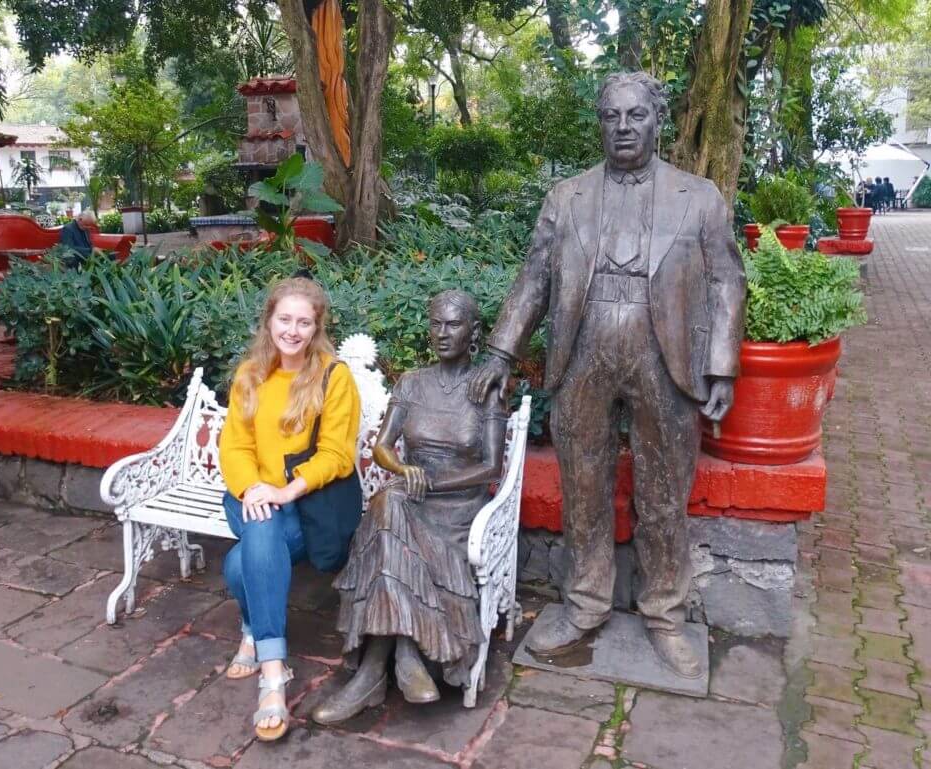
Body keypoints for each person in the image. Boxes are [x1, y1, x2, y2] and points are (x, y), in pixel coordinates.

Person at [468, 71, 745, 679]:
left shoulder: (698, 197)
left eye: (635, 116)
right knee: (584, 489)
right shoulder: (566, 198)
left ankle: (666, 616)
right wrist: (500, 353)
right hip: (583, 354)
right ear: (600, 124)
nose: (623, 128)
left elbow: (727, 280)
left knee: (664, 494)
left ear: (656, 121)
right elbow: (535, 277)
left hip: (665, 359)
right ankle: (585, 604)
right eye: (612, 117)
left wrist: (722, 367)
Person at [311, 290, 507, 724]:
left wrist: (432, 481)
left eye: (453, 325)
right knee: (390, 507)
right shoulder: (412, 383)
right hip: (410, 493)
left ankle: (375, 670)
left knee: (386, 510)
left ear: (472, 332)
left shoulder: (485, 390)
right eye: (435, 323)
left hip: (456, 507)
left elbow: (491, 468)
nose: (441, 333)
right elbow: (381, 448)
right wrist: (402, 467)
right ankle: (402, 658)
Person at [218, 276, 362, 742]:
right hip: (247, 496)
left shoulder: (332, 377)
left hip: (302, 503)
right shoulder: (250, 375)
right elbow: (234, 447)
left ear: (317, 327)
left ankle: (253, 632)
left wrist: (284, 492)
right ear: (270, 320)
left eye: (305, 322)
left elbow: (338, 455)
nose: (293, 331)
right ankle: (274, 675)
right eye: (285, 319)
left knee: (242, 561)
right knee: (259, 524)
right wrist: (254, 488)